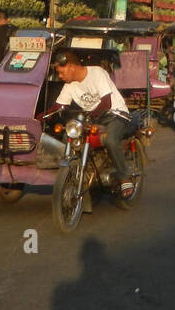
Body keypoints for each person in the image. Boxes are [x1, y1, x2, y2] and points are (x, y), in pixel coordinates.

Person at [50, 49, 138, 198]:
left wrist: (89, 116)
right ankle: (79, 171)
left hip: (116, 114)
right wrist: (40, 116)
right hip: (93, 118)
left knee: (110, 139)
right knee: (69, 137)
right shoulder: (69, 84)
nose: (60, 76)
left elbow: (106, 102)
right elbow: (59, 106)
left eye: (61, 72)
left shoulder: (96, 73)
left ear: (71, 67)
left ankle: (124, 176)